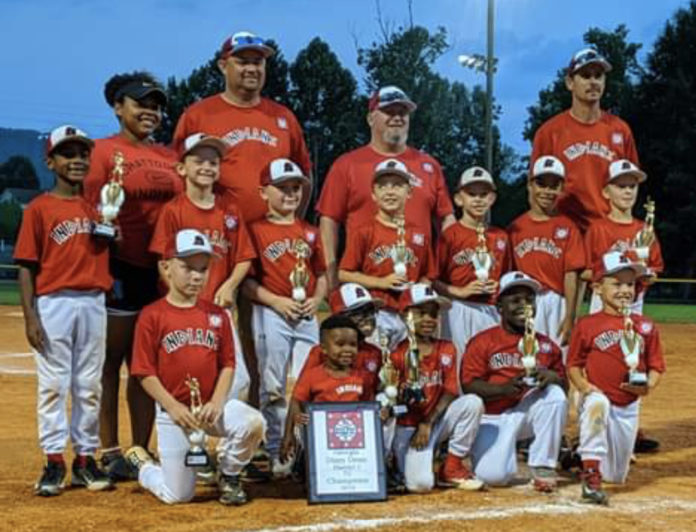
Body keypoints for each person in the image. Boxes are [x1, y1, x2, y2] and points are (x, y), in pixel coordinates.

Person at [84, 72, 183, 479]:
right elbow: (87, 205)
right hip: (119, 267)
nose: (151, 112)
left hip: (160, 272)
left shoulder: (169, 156)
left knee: (146, 367)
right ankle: (108, 449)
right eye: (141, 103)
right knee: (111, 363)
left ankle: (140, 449)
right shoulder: (102, 151)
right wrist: (100, 229)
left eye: (157, 106)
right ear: (118, 107)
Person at [125, 229, 265, 506]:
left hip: (212, 408)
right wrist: (173, 407)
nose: (197, 276)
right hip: (174, 412)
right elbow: (143, 372)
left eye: (203, 269)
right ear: (166, 267)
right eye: (187, 267)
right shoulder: (153, 315)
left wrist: (217, 400)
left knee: (253, 423)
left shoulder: (216, 315)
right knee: (177, 495)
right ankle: (143, 467)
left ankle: (229, 473)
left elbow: (228, 364)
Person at [15, 125, 114, 496]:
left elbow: (108, 249)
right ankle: (53, 460)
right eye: (68, 154)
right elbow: (26, 265)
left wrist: (111, 231)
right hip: (54, 302)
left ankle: (86, 459)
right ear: (51, 160)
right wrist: (31, 317)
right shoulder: (39, 208)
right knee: (54, 385)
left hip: (93, 301)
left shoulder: (101, 207)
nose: (77, 160)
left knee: (89, 385)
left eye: (82, 154)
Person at [149, 133, 256, 401]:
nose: (207, 167)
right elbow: (163, 261)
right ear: (182, 168)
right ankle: (185, 439)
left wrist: (230, 286)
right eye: (199, 161)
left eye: (214, 162)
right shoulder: (173, 211)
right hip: (184, 310)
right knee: (185, 376)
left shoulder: (229, 209)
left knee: (238, 378)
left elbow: (244, 256)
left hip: (220, 308)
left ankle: (226, 441)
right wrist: (179, 296)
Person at [317, 85, 455, 287]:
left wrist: (445, 269)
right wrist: (331, 272)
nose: (398, 117)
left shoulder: (429, 165)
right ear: (371, 118)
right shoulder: (347, 164)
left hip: (417, 285)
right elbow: (328, 221)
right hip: (364, 284)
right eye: (389, 111)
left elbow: (446, 220)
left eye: (403, 112)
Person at [242, 158, 327, 474]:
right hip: (271, 312)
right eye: (282, 188)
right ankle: (278, 448)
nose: (290, 194)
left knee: (314, 380)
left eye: (296, 188)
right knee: (273, 385)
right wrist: (276, 301)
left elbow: (321, 274)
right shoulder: (255, 230)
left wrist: (317, 300)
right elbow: (247, 282)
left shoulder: (310, 232)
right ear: (264, 192)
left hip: (305, 313)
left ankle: (308, 448)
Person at [172, 31, 311, 223]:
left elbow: (303, 174)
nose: (252, 68)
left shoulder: (283, 117)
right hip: (217, 235)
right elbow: (176, 176)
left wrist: (293, 222)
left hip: (272, 239)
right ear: (223, 66)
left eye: (258, 62)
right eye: (243, 62)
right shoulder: (198, 115)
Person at [567, 252, 665, 504]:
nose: (625, 290)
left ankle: (580, 456)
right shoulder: (587, 324)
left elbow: (656, 367)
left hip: (629, 404)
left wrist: (648, 387)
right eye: (617, 283)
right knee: (597, 404)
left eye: (630, 284)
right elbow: (574, 365)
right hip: (597, 397)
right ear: (597, 288)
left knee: (616, 475)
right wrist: (585, 388)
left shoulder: (645, 326)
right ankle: (590, 474)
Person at [461, 272, 567, 492]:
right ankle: (499, 451)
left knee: (555, 395)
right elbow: (469, 385)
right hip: (492, 418)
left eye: (529, 300)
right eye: (515, 300)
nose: (524, 305)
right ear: (499, 306)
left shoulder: (546, 345)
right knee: (495, 477)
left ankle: (543, 466)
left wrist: (553, 378)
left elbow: (564, 390)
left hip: (525, 414)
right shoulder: (483, 341)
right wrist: (504, 389)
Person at [387, 284, 485, 493]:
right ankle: (394, 462)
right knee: (420, 485)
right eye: (421, 313)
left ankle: (451, 466)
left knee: (472, 403)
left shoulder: (447, 348)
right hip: (406, 427)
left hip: (433, 423)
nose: (429, 320)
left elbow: (450, 390)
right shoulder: (396, 354)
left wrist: (427, 422)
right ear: (405, 316)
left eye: (433, 314)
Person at [530, 48, 639, 233]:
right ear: (570, 82)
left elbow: (632, 183)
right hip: (565, 229)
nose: (593, 82)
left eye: (598, 76)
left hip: (607, 229)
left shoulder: (620, 130)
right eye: (586, 75)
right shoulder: (550, 132)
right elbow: (534, 188)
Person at [338, 159, 436, 348]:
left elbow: (428, 275)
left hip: (408, 315)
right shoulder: (364, 231)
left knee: (408, 368)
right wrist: (382, 282)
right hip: (377, 313)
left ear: (409, 192)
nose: (390, 192)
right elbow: (344, 273)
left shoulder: (419, 234)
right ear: (374, 194)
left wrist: (417, 300)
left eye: (398, 185)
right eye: (383, 186)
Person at [508, 156, 586, 349]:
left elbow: (571, 275)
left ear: (561, 189)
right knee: (524, 359)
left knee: (559, 357)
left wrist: (570, 316)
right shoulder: (515, 228)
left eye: (553, 186)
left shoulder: (568, 228)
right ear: (530, 185)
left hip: (556, 302)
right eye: (541, 184)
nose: (547, 191)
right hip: (524, 300)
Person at [434, 166, 509, 367]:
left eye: (484, 194)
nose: (478, 199)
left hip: (491, 308)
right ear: (459, 199)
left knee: (489, 361)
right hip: (458, 308)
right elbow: (432, 279)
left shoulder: (500, 236)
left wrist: (499, 289)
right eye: (471, 194)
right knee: (459, 361)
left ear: (492, 198)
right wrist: (460, 291)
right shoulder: (450, 235)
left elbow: (507, 275)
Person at [280, 316, 374, 464]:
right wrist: (288, 435)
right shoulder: (313, 376)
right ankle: (303, 461)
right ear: (323, 348)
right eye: (340, 344)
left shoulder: (363, 376)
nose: (347, 350)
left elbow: (369, 405)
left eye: (353, 344)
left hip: (352, 436)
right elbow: (296, 401)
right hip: (320, 436)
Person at [583, 159, 664, 315]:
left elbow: (654, 269)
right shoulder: (597, 229)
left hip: (634, 300)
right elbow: (585, 272)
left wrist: (647, 276)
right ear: (606, 192)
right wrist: (612, 276)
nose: (628, 191)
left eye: (632, 186)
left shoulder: (645, 230)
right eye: (621, 186)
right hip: (602, 302)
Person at [299, 283, 383, 384]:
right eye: (358, 313)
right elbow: (303, 390)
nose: (368, 317)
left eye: (370, 311)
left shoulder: (374, 352)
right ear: (340, 318)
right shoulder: (321, 353)